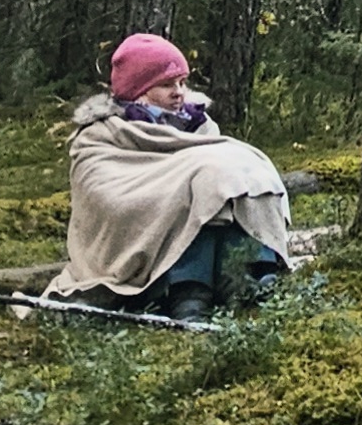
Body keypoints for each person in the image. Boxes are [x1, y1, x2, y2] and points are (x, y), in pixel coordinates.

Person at [49, 31, 296, 320]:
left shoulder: (201, 127)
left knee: (234, 178)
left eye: (182, 82)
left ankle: (250, 275)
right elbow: (107, 201)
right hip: (149, 244)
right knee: (200, 186)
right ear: (138, 91)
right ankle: (189, 294)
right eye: (166, 85)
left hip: (212, 212)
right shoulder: (102, 136)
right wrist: (175, 188)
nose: (179, 91)